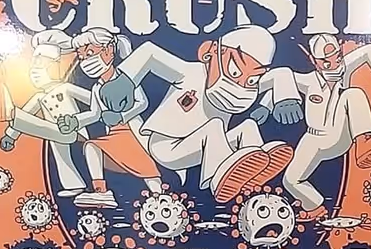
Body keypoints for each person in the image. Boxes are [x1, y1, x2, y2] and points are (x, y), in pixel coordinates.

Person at [98, 25, 293, 203]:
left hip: (208, 147)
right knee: (215, 126)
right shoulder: (188, 73)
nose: (242, 85)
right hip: (168, 147)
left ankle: (254, 168)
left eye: (252, 80)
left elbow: (281, 74)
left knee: (248, 127)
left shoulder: (246, 89)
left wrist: (285, 97)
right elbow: (150, 54)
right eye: (235, 71)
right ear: (209, 53)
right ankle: (218, 179)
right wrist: (126, 79)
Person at [253, 33, 371, 219]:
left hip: (341, 133)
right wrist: (266, 106)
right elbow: (279, 78)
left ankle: (364, 142)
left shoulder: (346, 67)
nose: (334, 66)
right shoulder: (308, 81)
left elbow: (369, 51)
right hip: (313, 138)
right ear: (314, 60)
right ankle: (314, 206)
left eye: (337, 58)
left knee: (353, 94)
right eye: (326, 63)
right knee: (291, 180)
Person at [61, 28, 165, 209]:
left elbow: (143, 102)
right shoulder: (96, 88)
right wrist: (75, 121)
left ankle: (161, 199)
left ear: (109, 51)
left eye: (90, 53)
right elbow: (94, 114)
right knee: (92, 146)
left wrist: (121, 115)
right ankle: (101, 192)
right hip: (114, 135)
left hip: (132, 133)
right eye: (82, 56)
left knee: (147, 169)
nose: (86, 61)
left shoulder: (126, 78)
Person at [0, 31, 92, 197]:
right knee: (60, 153)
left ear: (55, 67)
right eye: (34, 65)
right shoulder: (39, 97)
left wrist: (83, 119)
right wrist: (10, 136)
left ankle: (13, 114)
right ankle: (73, 185)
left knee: (56, 136)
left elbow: (94, 100)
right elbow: (28, 112)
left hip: (74, 129)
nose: (35, 70)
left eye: (41, 65)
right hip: (55, 131)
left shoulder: (65, 88)